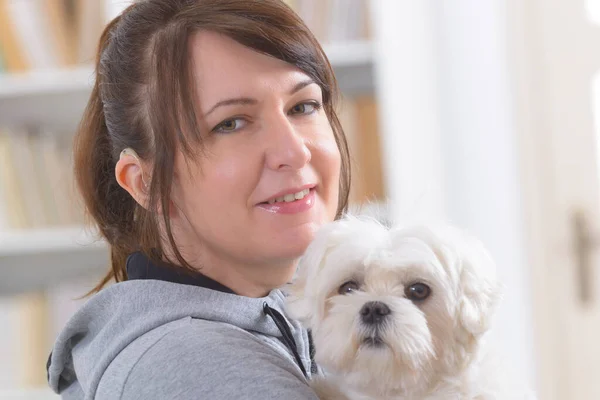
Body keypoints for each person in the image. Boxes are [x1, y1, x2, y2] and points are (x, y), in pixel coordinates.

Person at [46, 0, 351, 399]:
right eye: (230, 123)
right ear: (146, 184)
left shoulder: (307, 318)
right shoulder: (204, 369)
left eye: (303, 106)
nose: (294, 152)